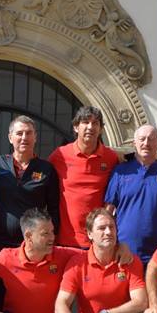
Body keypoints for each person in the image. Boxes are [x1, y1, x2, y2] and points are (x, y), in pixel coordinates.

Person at [0, 116, 60, 313]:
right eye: (19, 133)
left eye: (29, 133)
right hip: (0, 246)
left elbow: (53, 209)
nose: (24, 138)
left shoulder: (46, 170)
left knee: (28, 302)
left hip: (34, 253)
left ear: (35, 137)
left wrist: (52, 242)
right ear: (10, 137)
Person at [104, 123, 157, 263]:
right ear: (134, 143)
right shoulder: (120, 172)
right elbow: (108, 211)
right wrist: (112, 245)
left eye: (151, 139)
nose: (146, 143)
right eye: (142, 139)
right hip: (124, 253)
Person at [49, 106, 119, 249]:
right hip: (65, 241)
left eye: (95, 123)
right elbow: (42, 178)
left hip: (97, 242)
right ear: (76, 127)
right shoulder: (60, 155)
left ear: (101, 129)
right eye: (85, 122)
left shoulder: (111, 158)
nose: (90, 127)